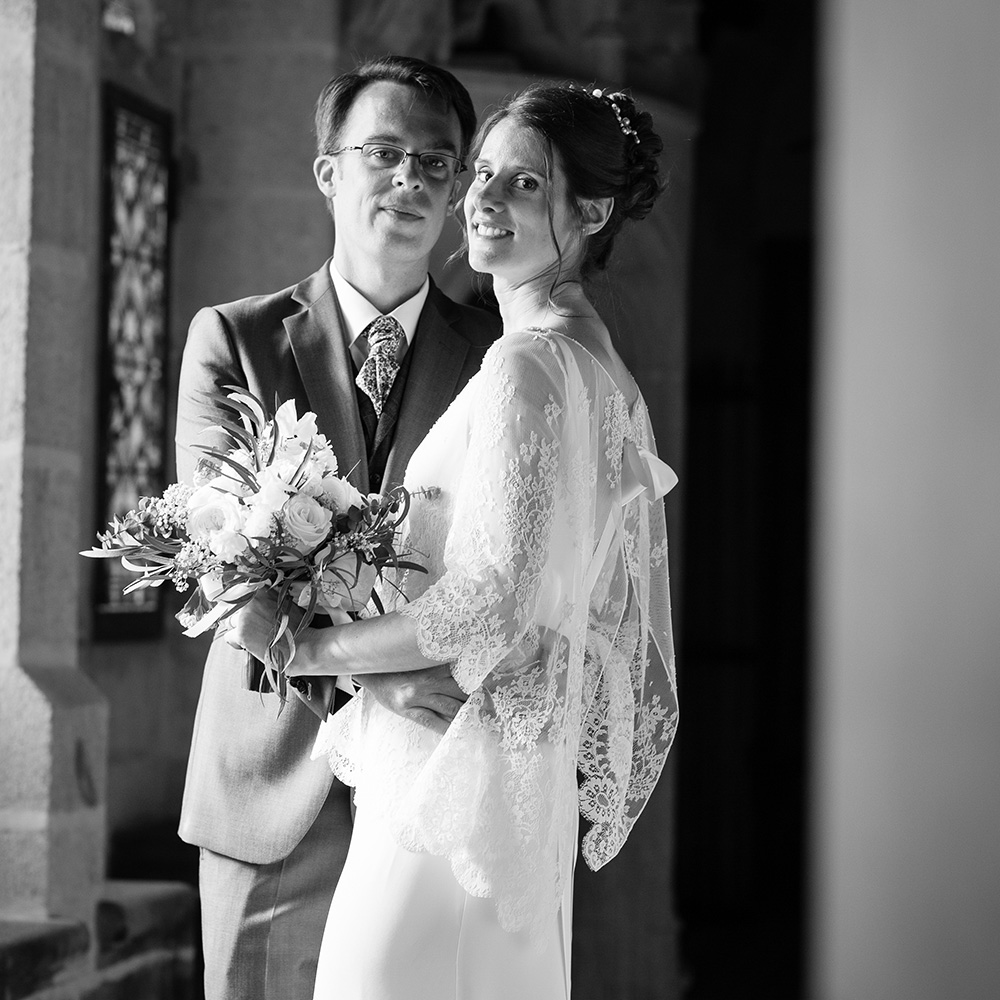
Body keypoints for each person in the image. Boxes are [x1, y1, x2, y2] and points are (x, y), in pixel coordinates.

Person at [234, 82, 679, 999]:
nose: (481, 197)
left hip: (449, 787)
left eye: (523, 183)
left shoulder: (527, 362)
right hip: (506, 787)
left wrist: (307, 645)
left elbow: (488, 598)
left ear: (590, 212)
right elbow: (600, 605)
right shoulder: (609, 376)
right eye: (481, 173)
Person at [174, 55, 501, 1000]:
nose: (411, 179)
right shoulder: (234, 338)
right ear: (329, 173)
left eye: (437, 163)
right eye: (384, 152)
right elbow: (221, 569)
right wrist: (370, 682)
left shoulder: (501, 361)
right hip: (273, 785)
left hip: (439, 791)